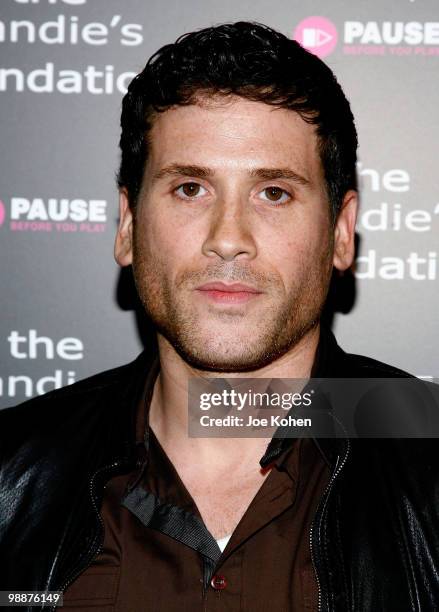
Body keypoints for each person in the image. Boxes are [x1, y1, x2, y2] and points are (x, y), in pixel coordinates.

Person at [1, 20, 438, 612]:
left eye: (274, 193)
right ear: (128, 225)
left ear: (340, 232)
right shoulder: (12, 471)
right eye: (189, 189)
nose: (228, 239)